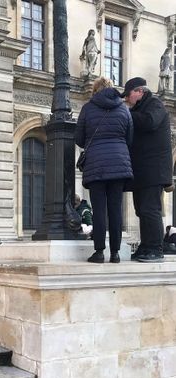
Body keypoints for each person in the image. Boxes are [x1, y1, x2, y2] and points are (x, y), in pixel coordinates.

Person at [75, 76, 134, 263]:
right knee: (115, 210)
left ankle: (99, 252)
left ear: (95, 90)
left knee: (99, 210)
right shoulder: (124, 110)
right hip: (119, 164)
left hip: (96, 165)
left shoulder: (88, 108)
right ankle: (115, 253)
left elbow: (79, 138)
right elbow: (129, 138)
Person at [121, 77, 173, 262]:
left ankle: (155, 249)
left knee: (150, 209)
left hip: (153, 170)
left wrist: (126, 113)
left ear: (139, 91)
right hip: (142, 170)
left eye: (128, 95)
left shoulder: (154, 104)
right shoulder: (140, 108)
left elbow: (149, 122)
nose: (127, 100)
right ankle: (145, 246)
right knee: (141, 210)